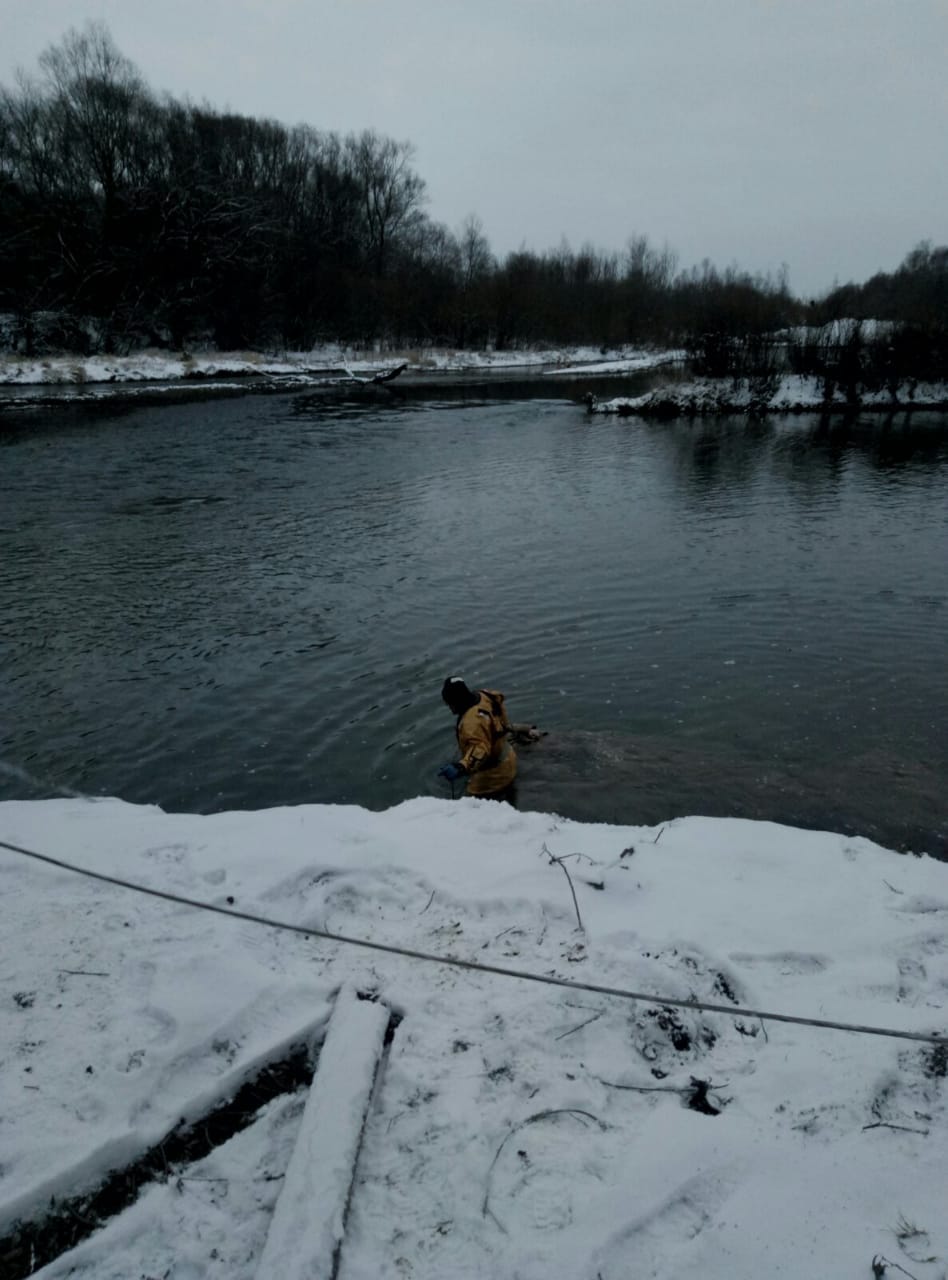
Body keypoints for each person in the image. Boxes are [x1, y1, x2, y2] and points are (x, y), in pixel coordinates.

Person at [437, 677, 539, 802]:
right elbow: (500, 724)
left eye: (449, 703)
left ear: (457, 701)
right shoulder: (485, 696)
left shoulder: (472, 723)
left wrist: (460, 767)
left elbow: (480, 751)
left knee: (470, 806)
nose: (449, 707)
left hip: (494, 777)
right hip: (508, 758)